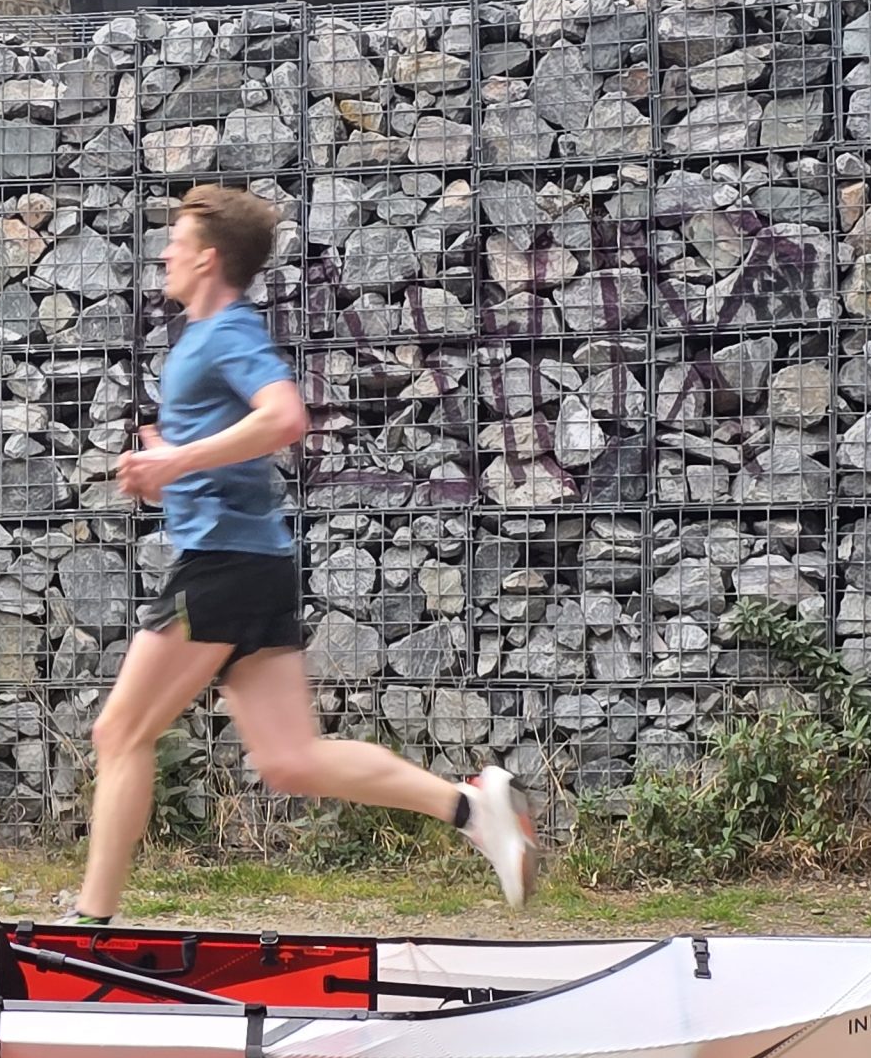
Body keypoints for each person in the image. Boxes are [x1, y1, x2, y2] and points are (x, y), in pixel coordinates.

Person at [62, 184, 537, 924]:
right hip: (255, 565)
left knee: (119, 732)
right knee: (291, 761)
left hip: (220, 568)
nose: (165, 254)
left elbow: (284, 418)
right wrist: (167, 470)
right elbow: (229, 456)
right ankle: (473, 808)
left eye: (177, 243)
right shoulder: (205, 338)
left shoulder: (227, 332)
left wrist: (174, 461)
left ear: (207, 258)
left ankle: (91, 925)